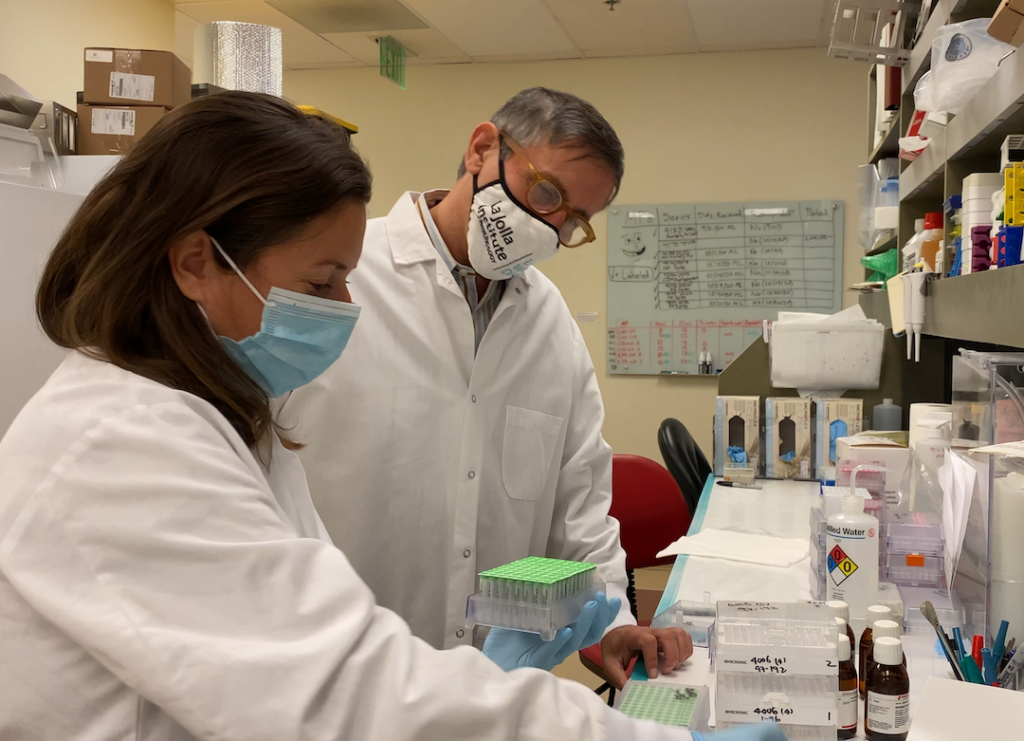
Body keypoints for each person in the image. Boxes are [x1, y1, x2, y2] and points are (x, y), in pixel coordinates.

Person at [0, 91, 785, 741]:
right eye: (327, 282)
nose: (347, 306)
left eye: (572, 221)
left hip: (414, 684)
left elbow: (577, 493)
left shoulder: (214, 416)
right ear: (196, 262)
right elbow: (343, 688)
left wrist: (588, 619)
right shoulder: (124, 442)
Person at [278, 87, 688, 685]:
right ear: (481, 149)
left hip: (488, 686)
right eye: (546, 193)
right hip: (334, 676)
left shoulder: (550, 324)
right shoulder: (337, 278)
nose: (550, 226)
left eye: (574, 221)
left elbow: (580, 504)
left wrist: (610, 625)